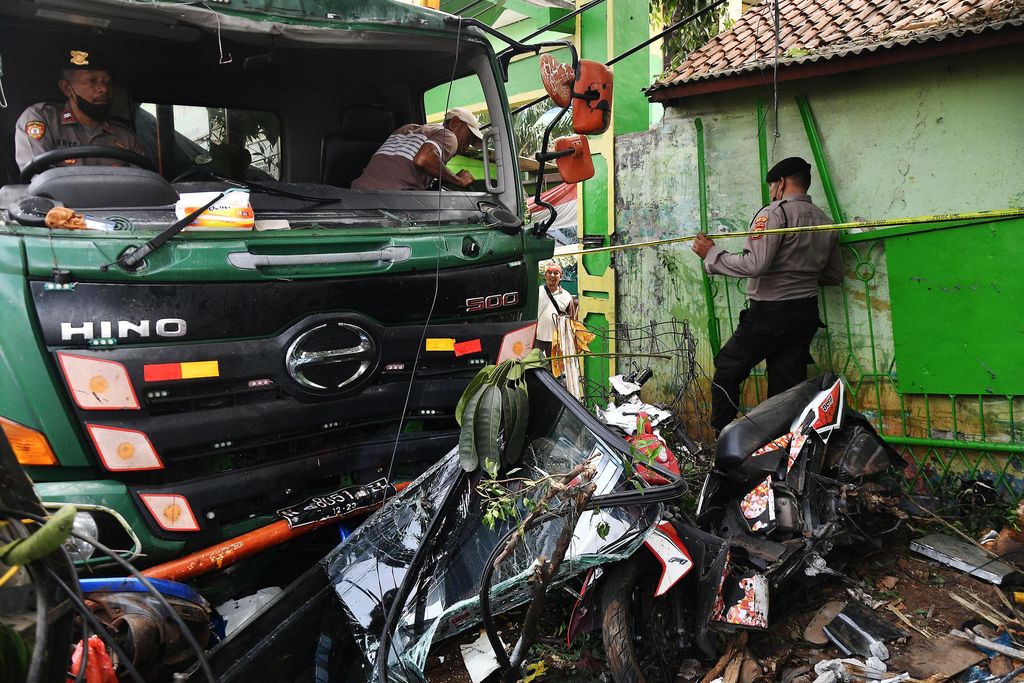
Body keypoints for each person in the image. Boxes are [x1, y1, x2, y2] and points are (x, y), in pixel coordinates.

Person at [691, 156, 844, 433]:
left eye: (773, 186)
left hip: (770, 315)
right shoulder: (826, 221)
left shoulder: (774, 214)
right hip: (805, 315)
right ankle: (781, 450)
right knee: (785, 392)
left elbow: (755, 265)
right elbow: (833, 276)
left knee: (727, 368)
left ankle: (724, 440)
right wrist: (798, 270)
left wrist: (712, 254)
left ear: (781, 183)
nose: (771, 192)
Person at [15, 49, 146, 171]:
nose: (104, 88)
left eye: (107, 81)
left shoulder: (125, 137)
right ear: (66, 88)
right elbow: (40, 180)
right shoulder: (42, 119)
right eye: (92, 81)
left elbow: (145, 186)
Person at [351, 107, 483, 191]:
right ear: (454, 123)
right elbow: (423, 159)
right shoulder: (450, 136)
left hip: (356, 193)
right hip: (391, 201)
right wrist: (457, 180)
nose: (466, 147)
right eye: (469, 138)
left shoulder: (407, 128)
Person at [536, 262, 577, 356]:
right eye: (549, 272)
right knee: (535, 366)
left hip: (557, 340)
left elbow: (572, 321)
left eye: (556, 273)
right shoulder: (537, 292)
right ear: (545, 275)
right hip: (537, 338)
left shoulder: (567, 296)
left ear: (561, 277)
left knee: (555, 368)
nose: (552, 275)